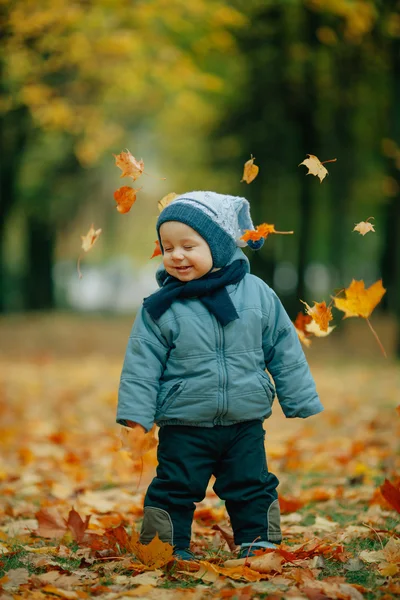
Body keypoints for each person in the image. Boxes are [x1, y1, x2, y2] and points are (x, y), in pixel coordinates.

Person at [117, 190, 323, 561]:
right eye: (167, 247)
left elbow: (283, 346)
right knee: (175, 486)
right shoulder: (161, 307)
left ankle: (258, 540)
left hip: (243, 420)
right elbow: (141, 365)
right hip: (185, 420)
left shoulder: (257, 294)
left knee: (251, 484)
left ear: (219, 244)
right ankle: (166, 545)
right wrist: (136, 414)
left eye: (188, 246)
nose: (176, 255)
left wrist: (299, 397)